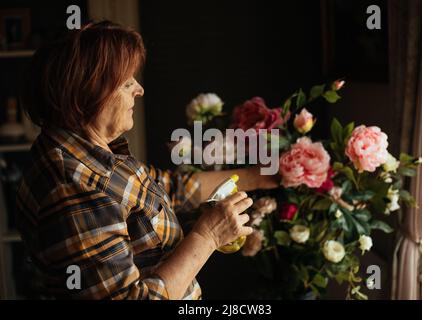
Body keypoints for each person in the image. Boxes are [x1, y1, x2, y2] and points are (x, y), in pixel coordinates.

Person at [16, 21, 278, 300]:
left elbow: (171, 188)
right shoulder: (73, 186)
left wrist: (265, 175)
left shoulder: (86, 151)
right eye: (127, 81)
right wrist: (208, 236)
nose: (139, 89)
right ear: (90, 91)